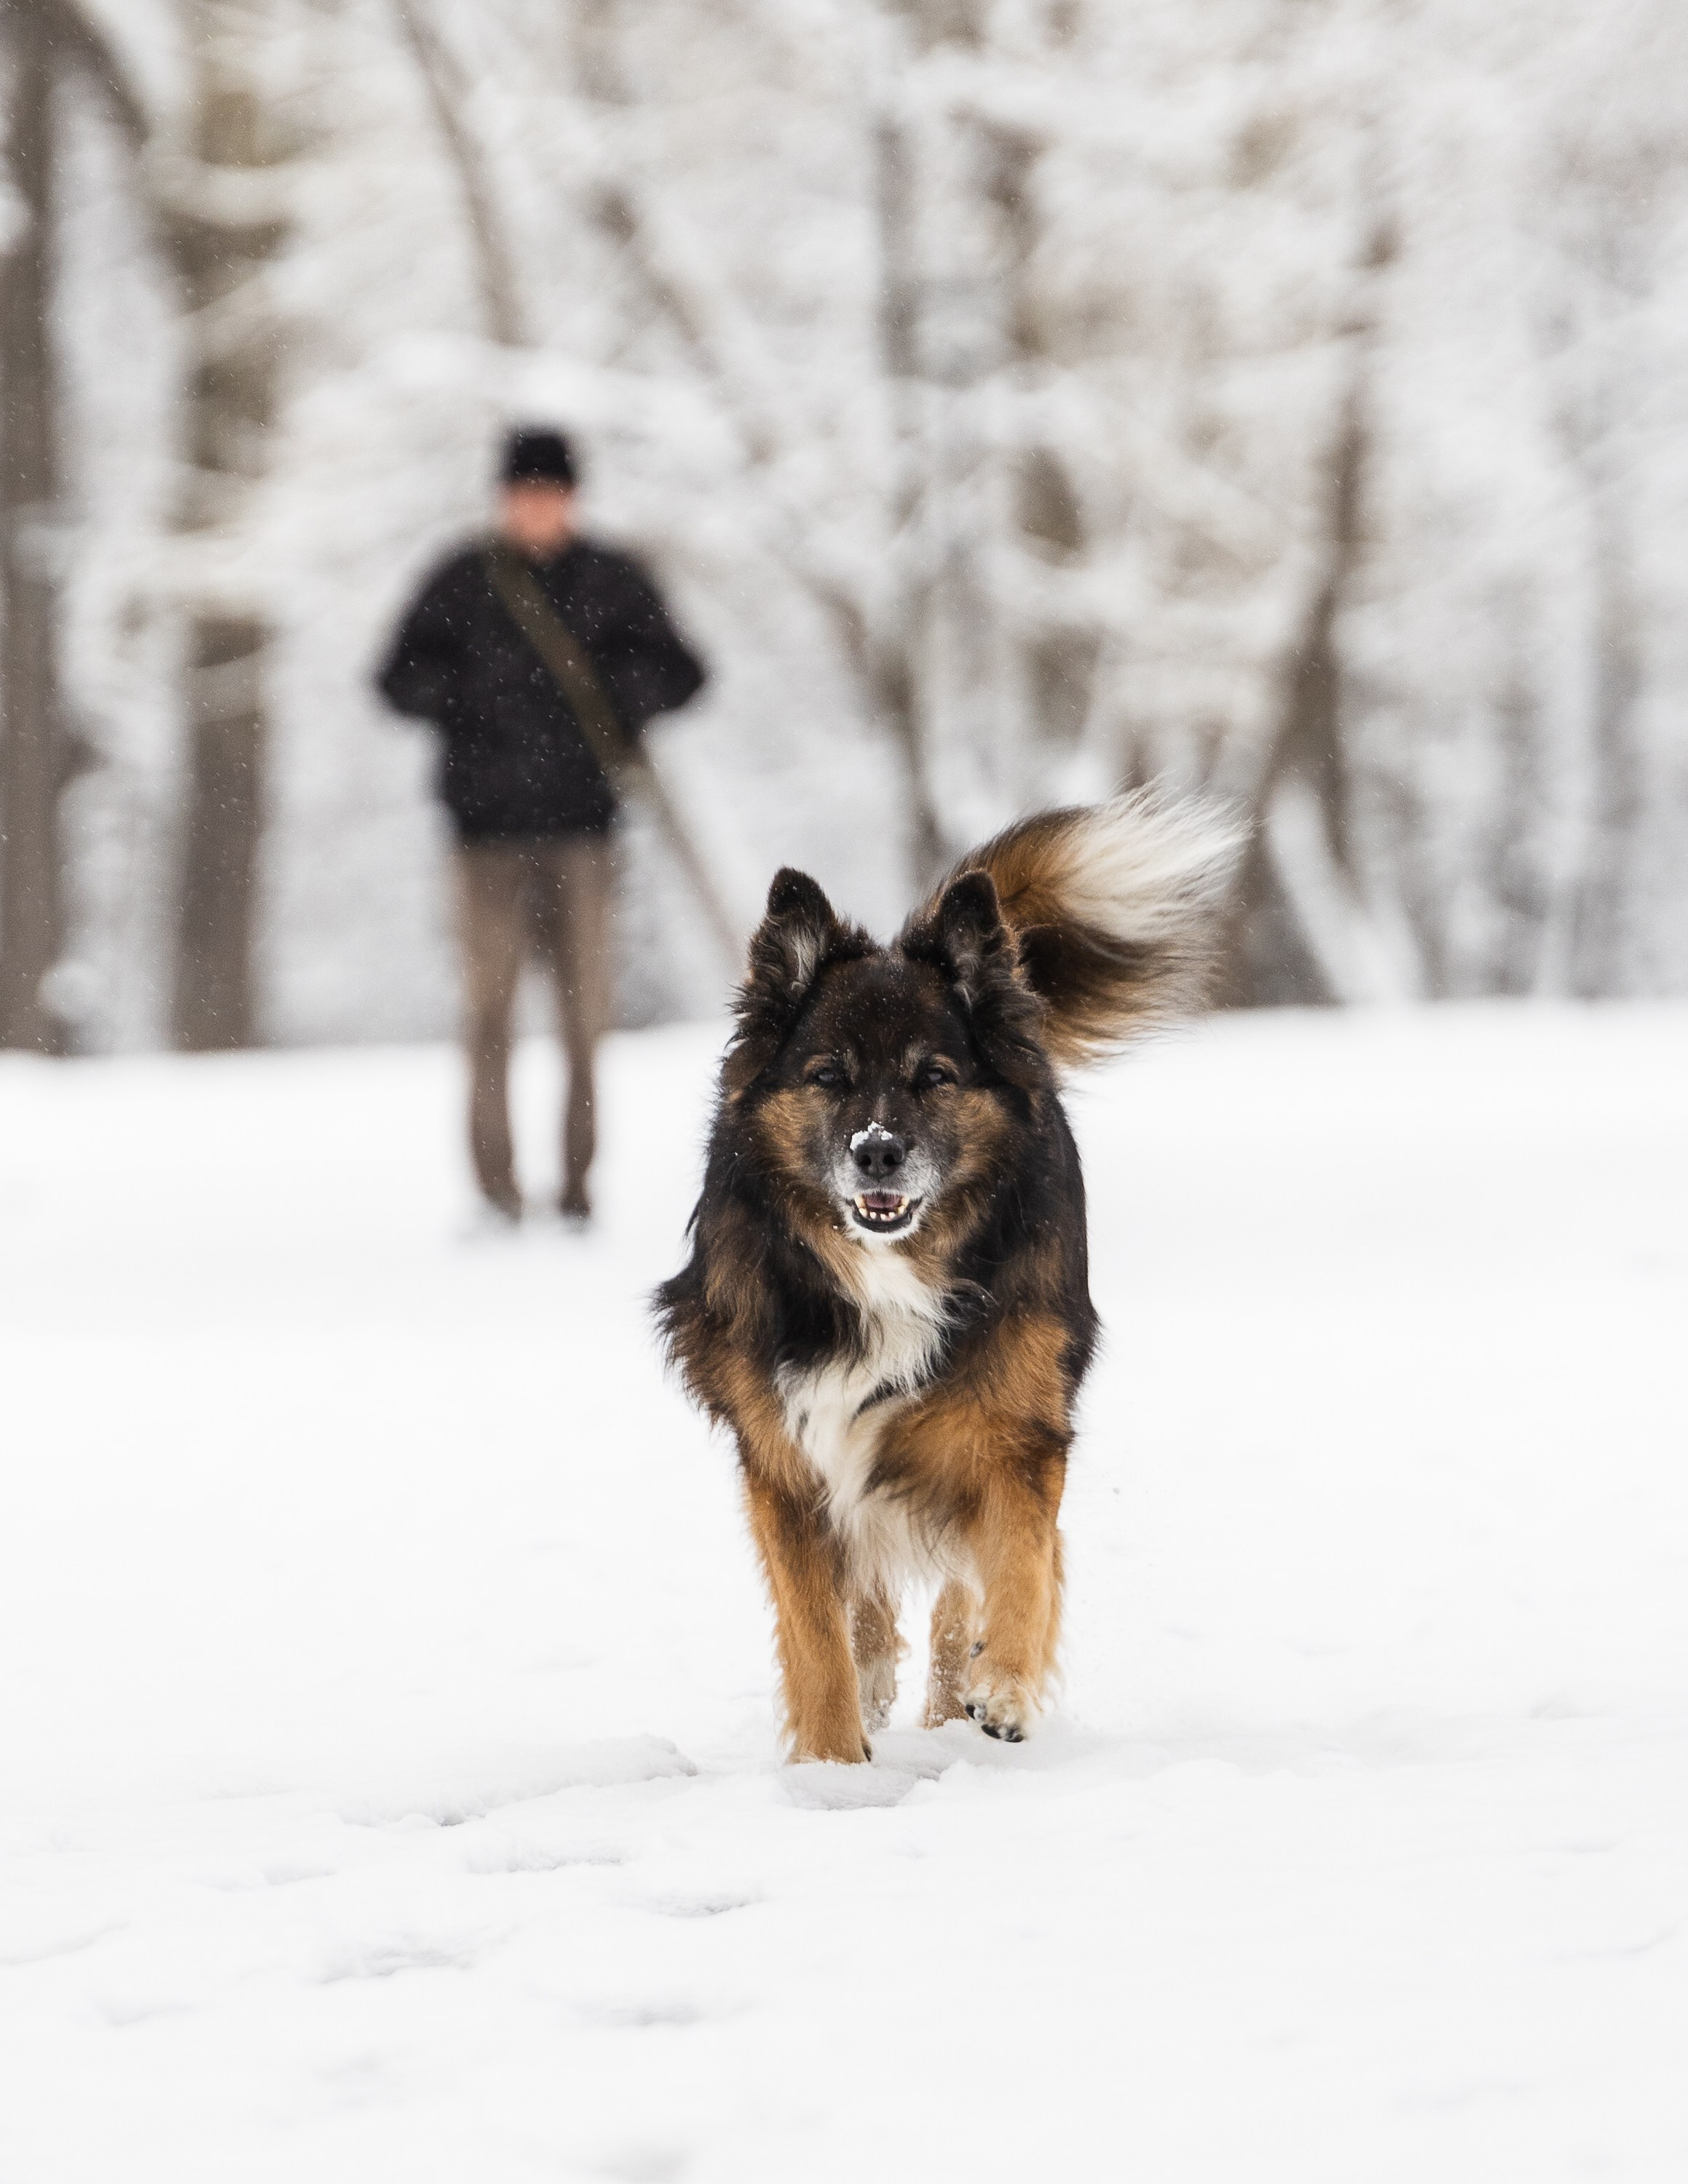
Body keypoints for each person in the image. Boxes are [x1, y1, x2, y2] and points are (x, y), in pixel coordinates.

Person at [376, 427, 706, 1224]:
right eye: (524, 493)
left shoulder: (611, 580)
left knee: (584, 1018)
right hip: (483, 838)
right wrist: (469, 702)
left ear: (572, 497)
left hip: (583, 835)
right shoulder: (462, 581)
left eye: (550, 493)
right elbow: (395, 679)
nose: (536, 508)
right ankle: (495, 1190)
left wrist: (615, 695)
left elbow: (684, 672)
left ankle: (578, 1185)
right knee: (487, 1016)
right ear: (502, 498)